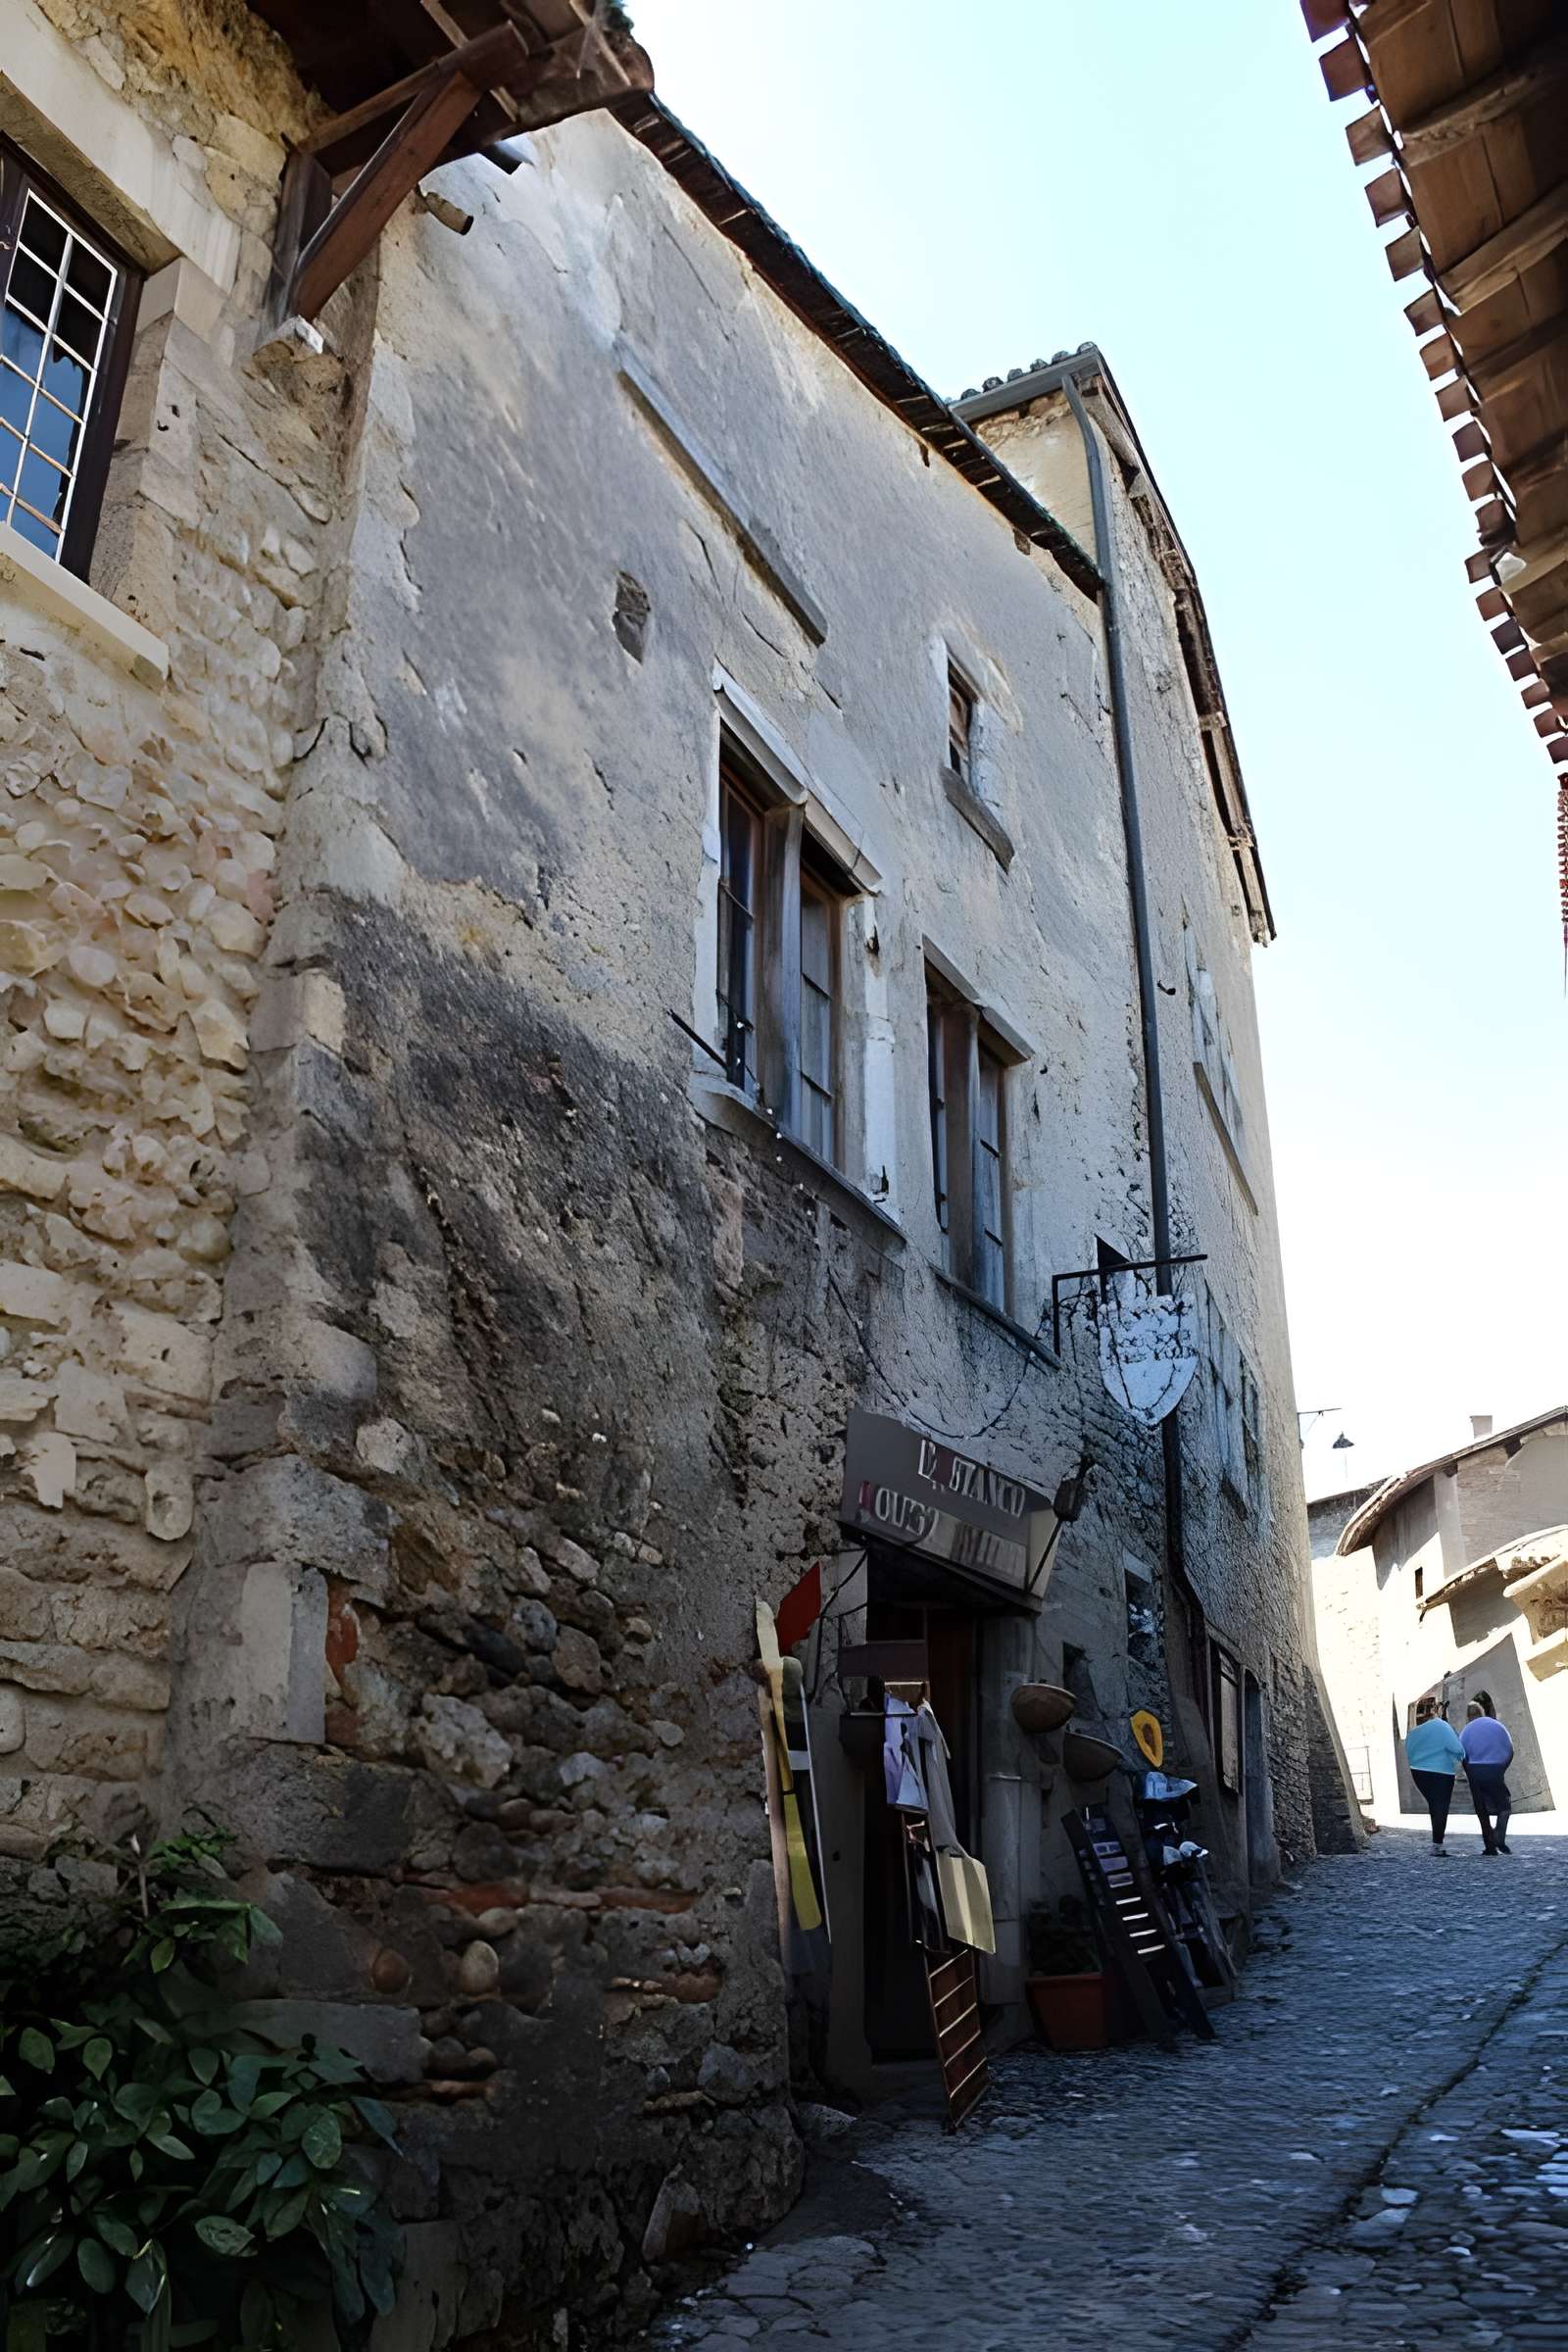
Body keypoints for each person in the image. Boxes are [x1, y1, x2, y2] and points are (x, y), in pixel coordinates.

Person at [1404, 1695, 1465, 1855]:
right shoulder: (1442, 1726)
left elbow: (1408, 1751)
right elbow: (1457, 1749)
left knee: (1434, 1805)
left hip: (1418, 1772)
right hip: (1441, 1773)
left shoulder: (1414, 1732)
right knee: (1441, 1808)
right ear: (1435, 1710)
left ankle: (1436, 1842)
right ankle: (1437, 1845)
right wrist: (1458, 1758)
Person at [1461, 1697, 1515, 1855]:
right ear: (1482, 1712)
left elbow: (1461, 1754)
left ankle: (1490, 1846)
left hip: (1474, 1770)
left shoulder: (1467, 1730)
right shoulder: (1497, 1726)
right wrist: (1501, 1769)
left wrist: (1469, 1773)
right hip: (1496, 1768)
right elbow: (1510, 1750)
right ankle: (1500, 1837)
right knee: (1504, 1806)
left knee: (1481, 1810)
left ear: (1468, 1716)